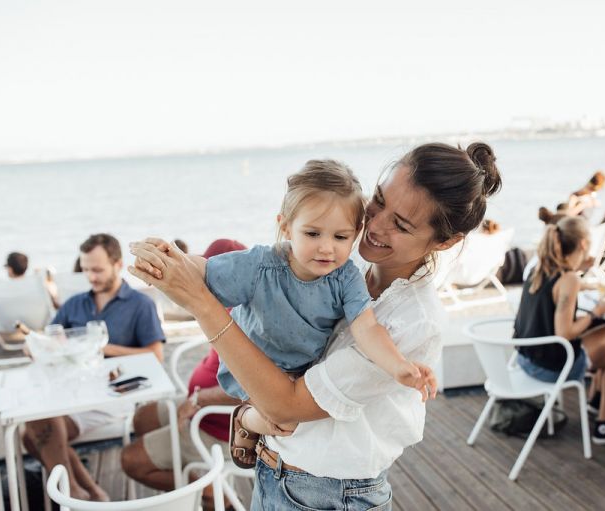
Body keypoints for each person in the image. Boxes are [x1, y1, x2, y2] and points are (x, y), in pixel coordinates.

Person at [129, 141, 501, 510]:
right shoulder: (343, 264)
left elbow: (289, 406)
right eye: (380, 201)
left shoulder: (413, 321)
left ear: (446, 241)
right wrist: (170, 260)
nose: (373, 225)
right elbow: (225, 272)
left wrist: (200, 304)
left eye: (400, 225)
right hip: (275, 473)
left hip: (326, 497)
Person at [166, 160, 434, 468]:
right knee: (278, 418)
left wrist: (398, 366)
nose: (326, 248)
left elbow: (367, 327)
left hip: (299, 371)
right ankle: (249, 417)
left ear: (356, 233)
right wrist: (173, 259)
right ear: (286, 226)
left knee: (287, 423)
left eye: (340, 237)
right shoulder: (261, 264)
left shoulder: (346, 277)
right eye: (312, 233)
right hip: (253, 367)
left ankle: (246, 421)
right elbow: (207, 270)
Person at [22, 233, 166, 501]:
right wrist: (36, 347)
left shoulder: (140, 305)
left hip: (115, 394)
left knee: (37, 429)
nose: (91, 276)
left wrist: (100, 348)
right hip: (73, 389)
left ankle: (73, 494)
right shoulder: (75, 303)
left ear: (118, 264)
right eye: (86, 269)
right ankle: (92, 493)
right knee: (33, 427)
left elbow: (156, 355)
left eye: (98, 269)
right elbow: (49, 339)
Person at [121, 238, 247, 500]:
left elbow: (250, 389)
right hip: (202, 405)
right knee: (143, 417)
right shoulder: (225, 306)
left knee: (130, 459)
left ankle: (211, 491)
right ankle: (185, 467)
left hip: (217, 423)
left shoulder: (248, 321)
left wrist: (198, 399)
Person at [514, 216, 605, 444]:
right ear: (583, 244)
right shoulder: (569, 279)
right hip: (552, 367)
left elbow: (553, 318)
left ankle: (603, 415)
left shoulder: (540, 268)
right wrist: (596, 312)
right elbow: (564, 333)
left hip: (526, 358)